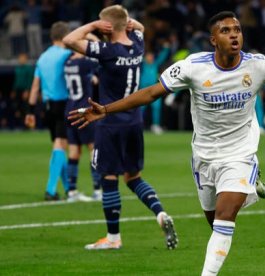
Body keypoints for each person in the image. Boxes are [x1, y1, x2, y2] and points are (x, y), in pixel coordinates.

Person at [69, 11, 265, 275]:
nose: (234, 35)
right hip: (204, 156)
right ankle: (251, 185)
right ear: (213, 39)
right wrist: (106, 109)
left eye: (237, 29)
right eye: (225, 30)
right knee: (214, 219)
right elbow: (152, 92)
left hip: (240, 151)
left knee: (224, 216)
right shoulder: (193, 66)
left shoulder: (257, 65)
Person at [62, 5, 178, 250]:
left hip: (109, 121)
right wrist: (125, 22)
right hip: (134, 120)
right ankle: (160, 213)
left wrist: (92, 26)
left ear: (106, 27)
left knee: (109, 177)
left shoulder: (107, 50)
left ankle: (113, 238)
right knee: (133, 177)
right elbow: (139, 27)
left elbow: (69, 39)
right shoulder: (137, 43)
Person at [25, 21, 72, 201]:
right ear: (65, 36)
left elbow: (35, 86)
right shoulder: (67, 55)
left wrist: (30, 111)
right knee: (60, 145)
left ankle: (68, 189)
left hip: (47, 107)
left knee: (58, 146)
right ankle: (50, 190)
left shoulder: (42, 57)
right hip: (64, 104)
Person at [64, 49, 101, 202]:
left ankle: (72, 191)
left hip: (69, 109)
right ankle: (98, 189)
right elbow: (101, 63)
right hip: (84, 111)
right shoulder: (86, 63)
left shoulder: (68, 63)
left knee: (74, 151)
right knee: (93, 149)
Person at [140, 43, 170, 134]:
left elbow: (162, 57)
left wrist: (166, 49)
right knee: (141, 108)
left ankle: (155, 125)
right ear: (145, 57)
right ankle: (139, 125)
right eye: (149, 56)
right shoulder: (142, 64)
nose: (151, 58)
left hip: (154, 90)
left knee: (157, 107)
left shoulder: (155, 65)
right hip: (143, 90)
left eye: (152, 56)